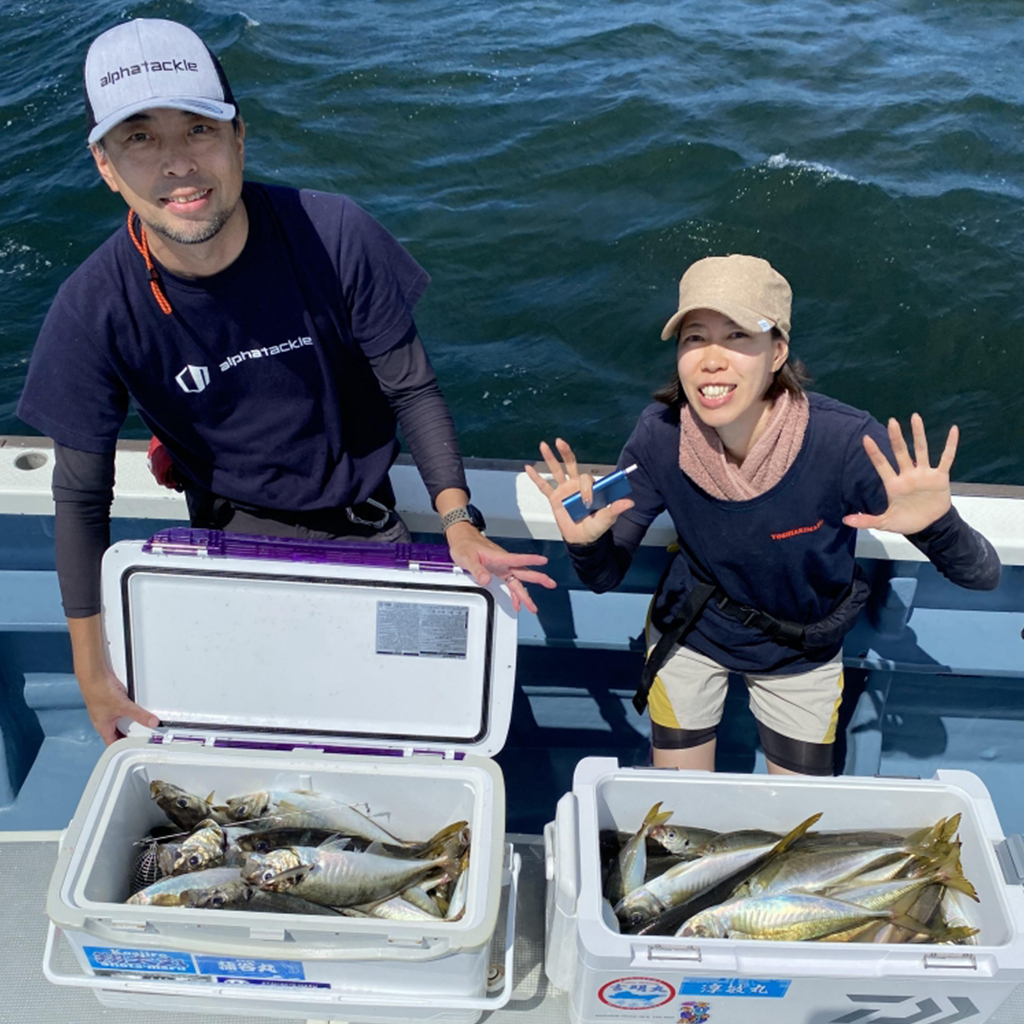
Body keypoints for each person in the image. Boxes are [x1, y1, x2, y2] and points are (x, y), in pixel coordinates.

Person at [16, 18, 553, 745]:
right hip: (230, 542)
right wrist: (91, 667)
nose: (178, 163)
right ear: (105, 165)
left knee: (449, 733)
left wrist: (458, 519)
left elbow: (412, 389)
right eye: (140, 138)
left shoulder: (335, 235)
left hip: (370, 522)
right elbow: (81, 494)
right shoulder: (93, 309)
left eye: (199, 129)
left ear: (239, 138)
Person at [527, 254, 1000, 777]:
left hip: (802, 649)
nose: (711, 359)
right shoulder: (661, 433)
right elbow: (603, 575)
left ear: (777, 352)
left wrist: (937, 523)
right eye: (694, 338)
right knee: (676, 812)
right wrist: (586, 542)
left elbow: (982, 576)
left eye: (737, 338)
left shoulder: (843, 443)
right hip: (692, 631)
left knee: (795, 823)